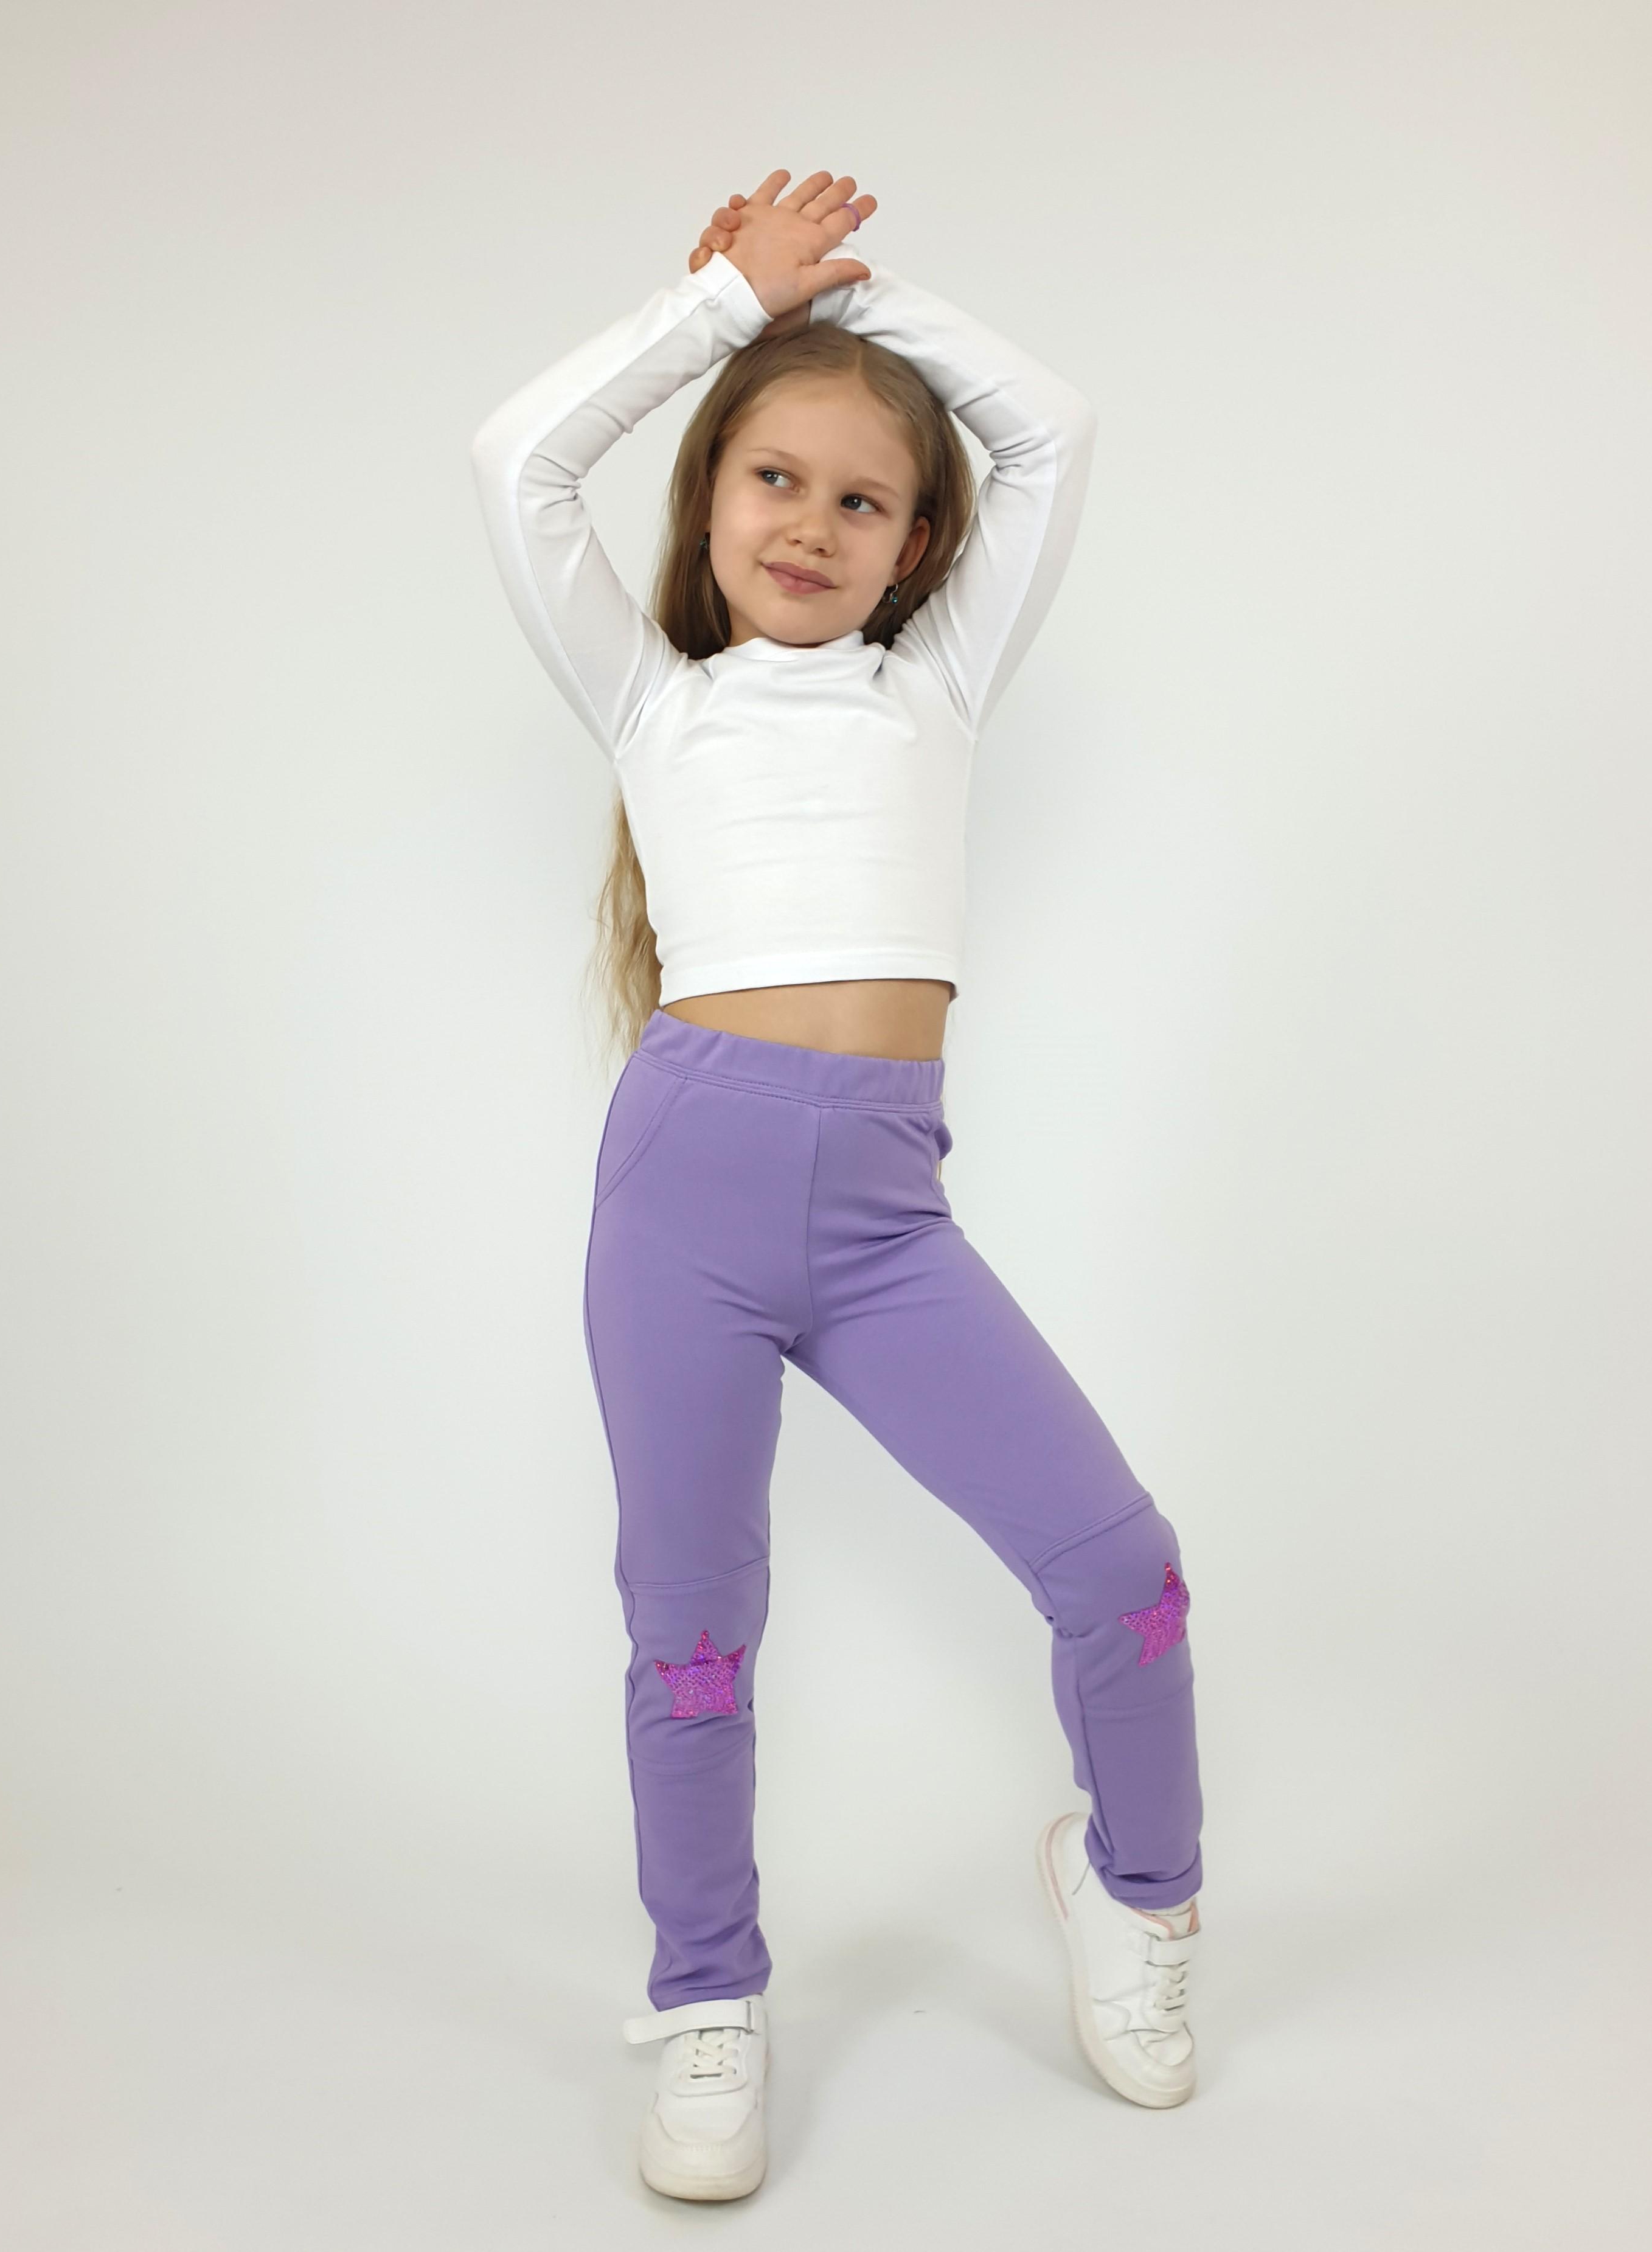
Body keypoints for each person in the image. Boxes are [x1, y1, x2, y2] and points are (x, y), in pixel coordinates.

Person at [470, 167, 1205, 2203]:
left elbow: (1057, 427)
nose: (808, 523)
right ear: (709, 501)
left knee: (1123, 1570)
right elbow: (517, 460)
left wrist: (856, 302)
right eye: (772, 479)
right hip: (683, 1208)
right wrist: (724, 308)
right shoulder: (654, 699)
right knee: (694, 1636)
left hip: (887, 1229)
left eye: (861, 499)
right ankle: (708, 1998)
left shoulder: (937, 686)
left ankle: (1139, 1894)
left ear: (918, 546)